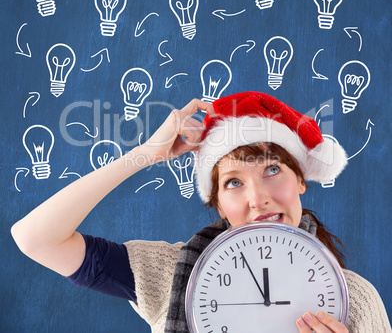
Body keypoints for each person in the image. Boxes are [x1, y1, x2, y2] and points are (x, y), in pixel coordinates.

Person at [11, 92, 391, 333]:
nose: (257, 198)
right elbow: (35, 238)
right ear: (218, 203)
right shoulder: (173, 275)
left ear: (301, 181)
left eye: (272, 170)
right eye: (233, 183)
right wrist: (145, 154)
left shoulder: (354, 301)